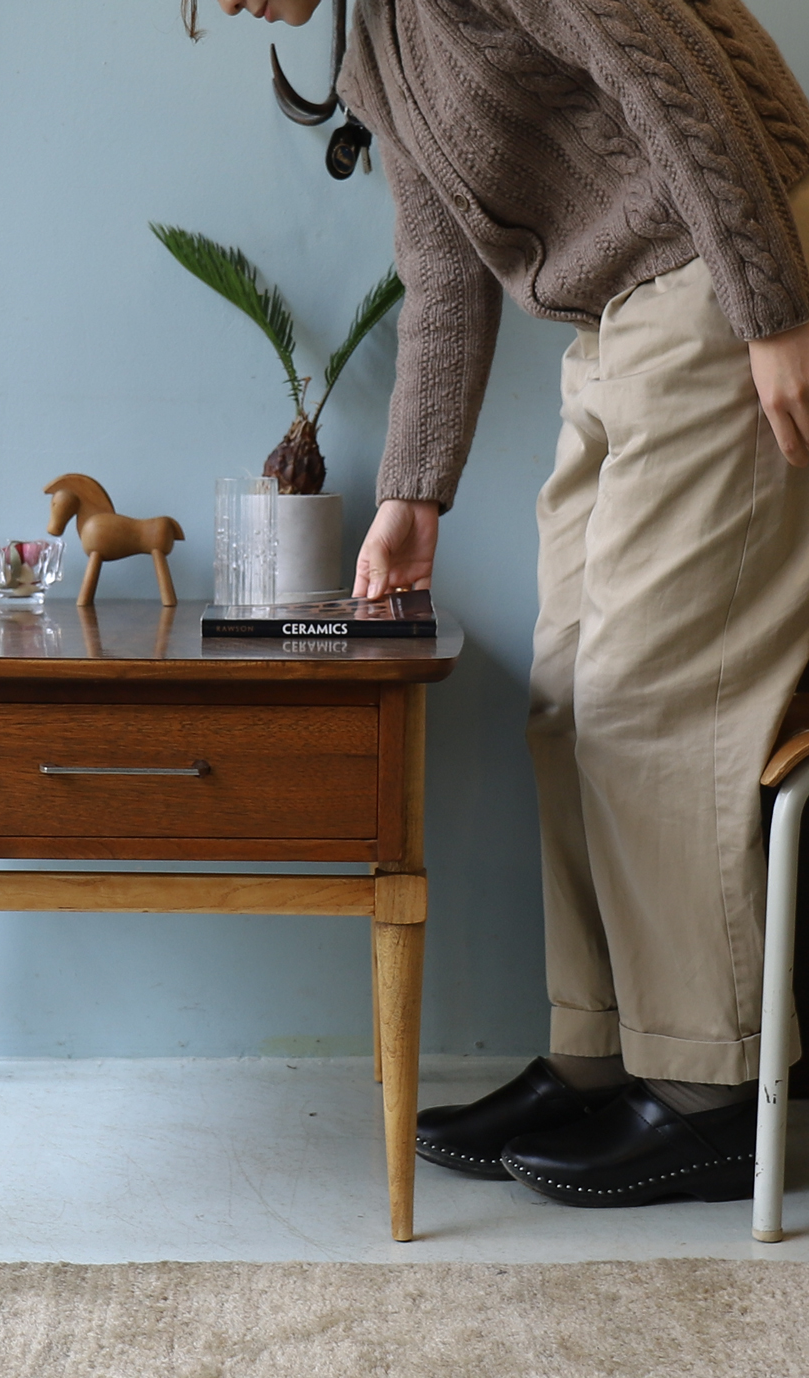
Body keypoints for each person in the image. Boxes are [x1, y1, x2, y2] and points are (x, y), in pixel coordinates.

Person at [194, 0, 809, 1207]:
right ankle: (605, 1050)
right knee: (567, 697)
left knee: (653, 700)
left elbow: (673, 72)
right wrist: (416, 495)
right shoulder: (376, 46)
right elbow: (441, 272)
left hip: (726, 284)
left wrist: (776, 307)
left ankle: (717, 1088)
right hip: (621, 324)